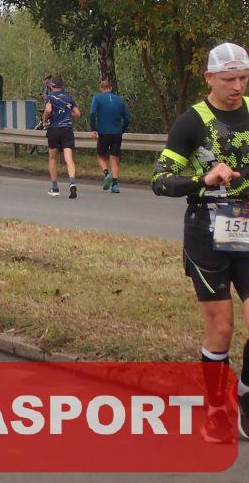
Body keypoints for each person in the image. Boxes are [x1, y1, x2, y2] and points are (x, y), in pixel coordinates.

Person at [151, 42, 249, 443]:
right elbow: (160, 181)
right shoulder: (191, 122)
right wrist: (202, 179)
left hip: (247, 225)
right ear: (209, 78)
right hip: (206, 232)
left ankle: (245, 397)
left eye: (243, 78)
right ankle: (216, 409)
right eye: (228, 79)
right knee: (221, 328)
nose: (237, 86)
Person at [89, 79, 132, 194]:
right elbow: (127, 118)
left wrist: (93, 128)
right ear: (111, 88)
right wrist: (122, 130)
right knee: (114, 157)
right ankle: (115, 184)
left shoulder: (97, 98)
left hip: (103, 131)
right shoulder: (120, 100)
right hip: (117, 132)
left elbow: (92, 113)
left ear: (101, 88)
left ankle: (107, 173)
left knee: (100, 155)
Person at [44, 75, 80, 198]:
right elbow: (77, 113)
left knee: (52, 157)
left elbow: (48, 110)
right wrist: (69, 116)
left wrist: (45, 120)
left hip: (54, 129)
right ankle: (72, 182)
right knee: (68, 157)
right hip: (67, 129)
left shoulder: (50, 97)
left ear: (52, 85)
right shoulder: (68, 97)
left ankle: (55, 187)